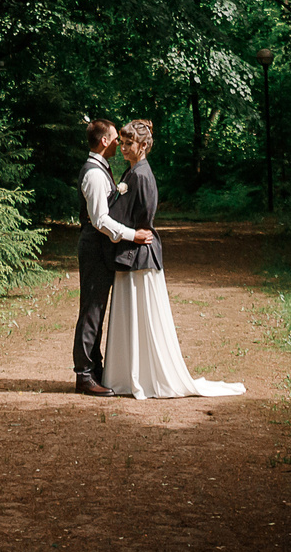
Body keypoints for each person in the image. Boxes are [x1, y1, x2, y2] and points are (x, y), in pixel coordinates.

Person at [102, 119, 246, 400]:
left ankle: (141, 376)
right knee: (131, 315)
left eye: (129, 143)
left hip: (139, 254)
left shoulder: (141, 175)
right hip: (131, 250)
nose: (124, 148)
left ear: (143, 145)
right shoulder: (131, 172)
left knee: (141, 315)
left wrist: (124, 230)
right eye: (123, 142)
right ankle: (128, 374)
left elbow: (143, 216)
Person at [74, 118, 151, 397]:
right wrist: (133, 235)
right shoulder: (94, 174)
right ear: (104, 141)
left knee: (97, 309)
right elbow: (100, 220)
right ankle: (84, 375)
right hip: (94, 248)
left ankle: (95, 370)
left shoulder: (101, 168)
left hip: (100, 248)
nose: (119, 142)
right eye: (115, 138)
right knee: (91, 310)